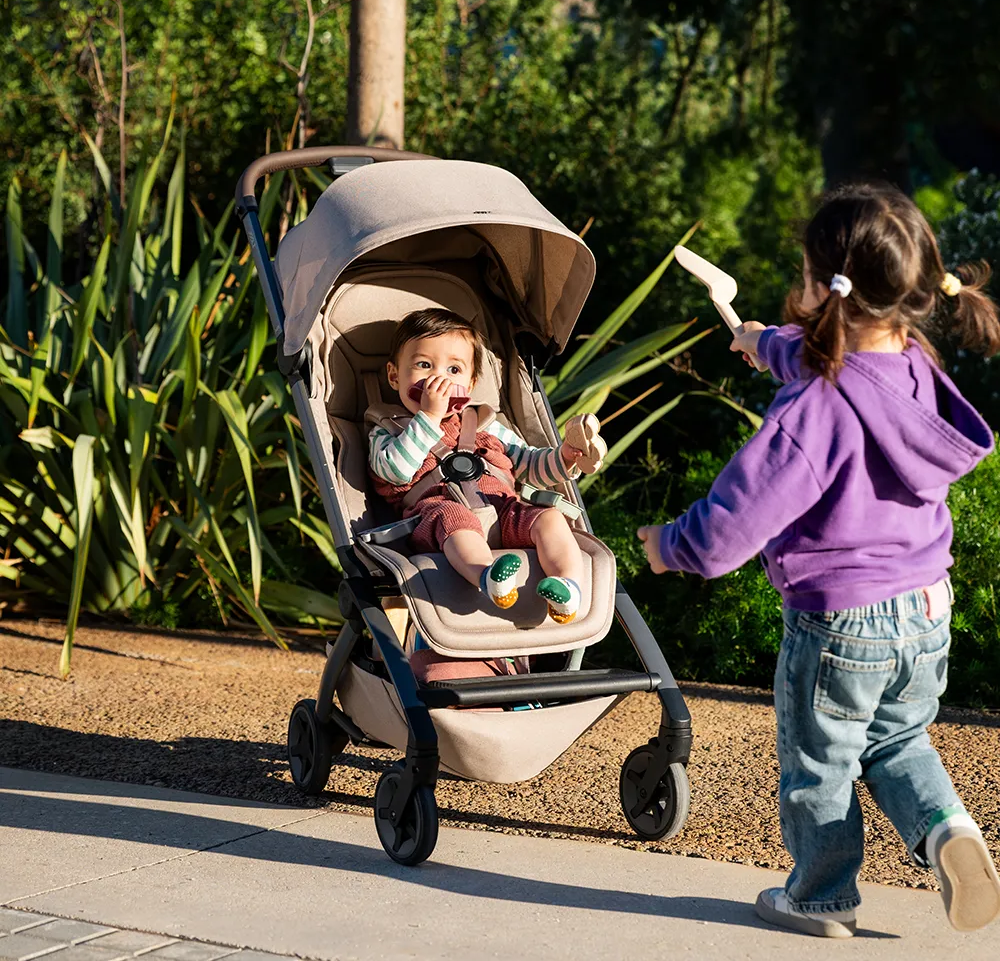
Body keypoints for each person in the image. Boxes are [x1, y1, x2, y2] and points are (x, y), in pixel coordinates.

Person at [637, 183, 1000, 938]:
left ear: (821, 287)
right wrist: (764, 342)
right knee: (897, 740)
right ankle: (948, 829)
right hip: (926, 607)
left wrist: (671, 546)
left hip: (840, 623)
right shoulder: (915, 366)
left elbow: (733, 523)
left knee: (820, 765)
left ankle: (821, 898)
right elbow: (832, 361)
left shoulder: (815, 410)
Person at [370, 308, 592, 624]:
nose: (438, 379)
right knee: (453, 517)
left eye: (454, 369)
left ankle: (567, 587)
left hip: (503, 510)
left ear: (471, 383)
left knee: (550, 518)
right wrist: (429, 417)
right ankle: (489, 577)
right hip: (439, 520)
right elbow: (395, 471)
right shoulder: (388, 430)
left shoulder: (485, 425)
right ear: (394, 376)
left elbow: (529, 464)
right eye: (424, 365)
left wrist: (565, 457)